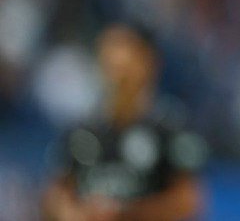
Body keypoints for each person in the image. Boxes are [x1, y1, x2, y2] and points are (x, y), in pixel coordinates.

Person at [42, 24, 206, 221]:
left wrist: (124, 213)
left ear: (148, 64)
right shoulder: (81, 130)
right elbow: (56, 194)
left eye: (124, 70)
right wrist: (73, 214)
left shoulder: (169, 128)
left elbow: (188, 201)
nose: (116, 75)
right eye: (109, 65)